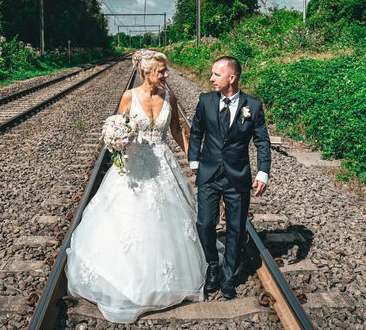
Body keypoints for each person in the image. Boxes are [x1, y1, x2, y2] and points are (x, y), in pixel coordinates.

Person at [65, 50, 206, 323]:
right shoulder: (130, 96)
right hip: (134, 167)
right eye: (161, 71)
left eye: (165, 71)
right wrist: (118, 141)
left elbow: (177, 129)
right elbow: (117, 126)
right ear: (146, 73)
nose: (166, 75)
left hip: (163, 164)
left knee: (166, 220)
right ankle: (126, 281)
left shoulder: (170, 96)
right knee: (129, 221)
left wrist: (193, 159)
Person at [188, 56, 271, 299]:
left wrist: (263, 172)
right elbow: (196, 132)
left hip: (238, 176)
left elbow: (262, 141)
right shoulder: (205, 101)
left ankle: (228, 275)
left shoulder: (252, 106)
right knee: (205, 223)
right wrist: (195, 160)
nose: (211, 78)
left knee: (235, 228)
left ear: (231, 78)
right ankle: (213, 266)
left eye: (216, 74)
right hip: (209, 173)